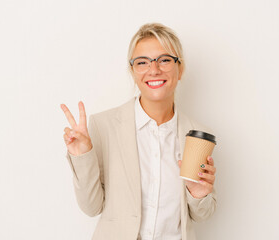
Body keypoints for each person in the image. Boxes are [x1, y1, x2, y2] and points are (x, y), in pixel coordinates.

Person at [60, 23, 217, 240]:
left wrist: (198, 193)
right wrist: (82, 155)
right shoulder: (104, 126)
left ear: (180, 69)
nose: (154, 70)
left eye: (164, 60)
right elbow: (91, 207)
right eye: (142, 62)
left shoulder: (198, 134)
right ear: (133, 72)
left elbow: (202, 215)